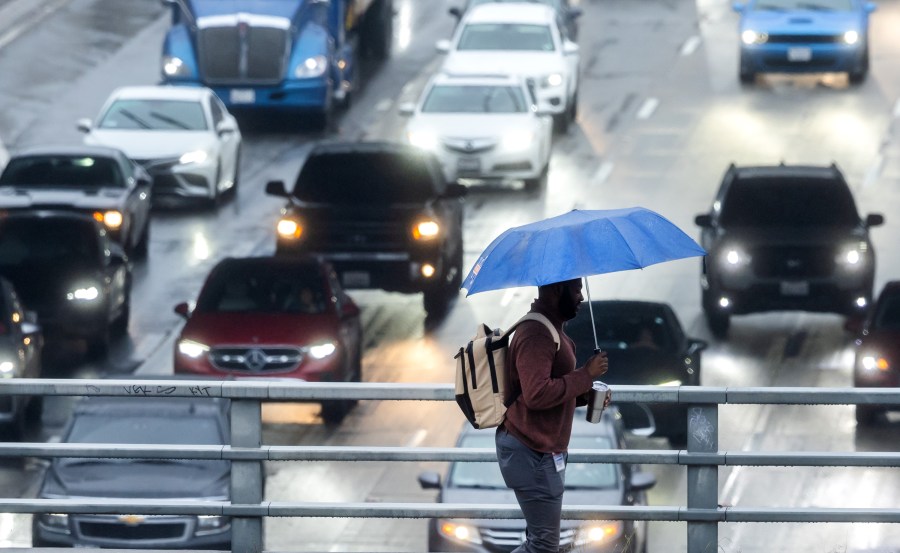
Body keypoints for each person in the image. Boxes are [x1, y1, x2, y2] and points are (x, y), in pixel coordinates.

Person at [495, 277, 611, 553]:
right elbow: (536, 395)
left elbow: (547, 389)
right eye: (576, 290)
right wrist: (585, 375)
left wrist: (586, 394)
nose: (581, 297)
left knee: (540, 540)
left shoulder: (552, 329)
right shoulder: (536, 333)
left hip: (541, 451)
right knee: (544, 545)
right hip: (531, 451)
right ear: (557, 290)